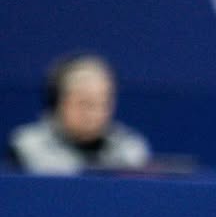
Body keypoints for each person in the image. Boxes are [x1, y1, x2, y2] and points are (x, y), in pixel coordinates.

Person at [8, 54, 151, 175]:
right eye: (84, 103)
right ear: (57, 102)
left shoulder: (130, 150)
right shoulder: (26, 147)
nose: (93, 114)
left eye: (102, 103)